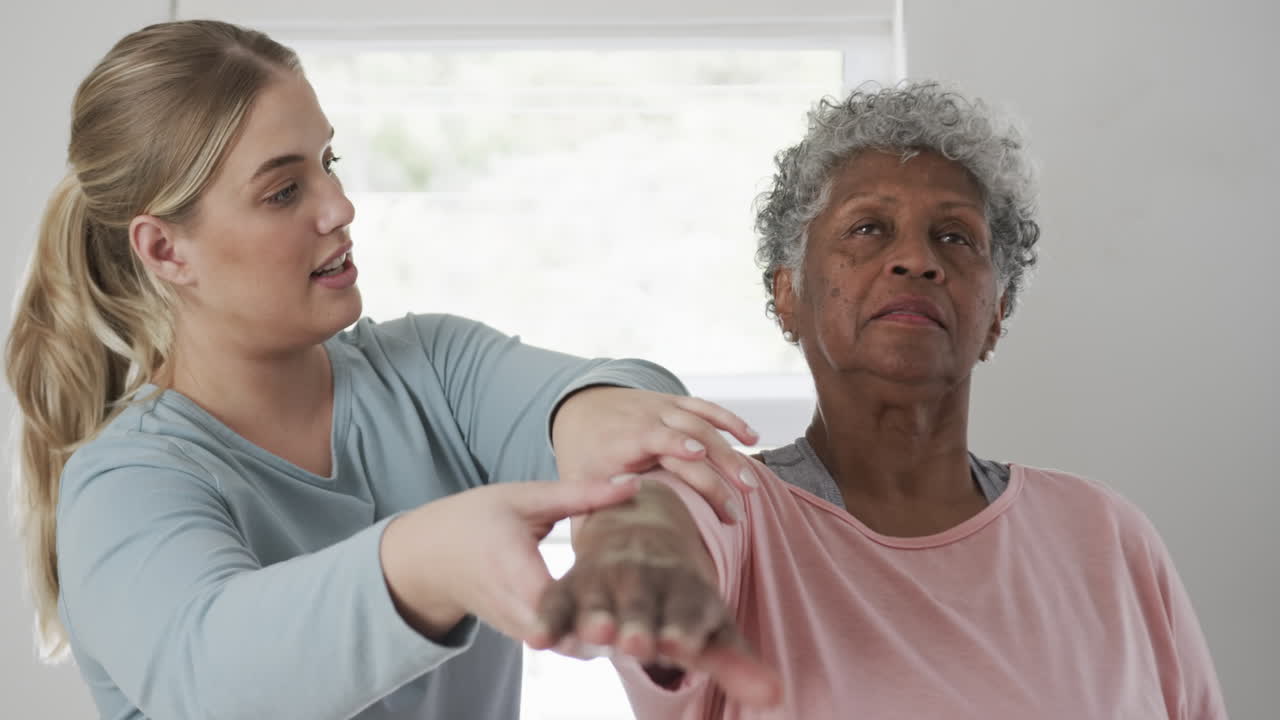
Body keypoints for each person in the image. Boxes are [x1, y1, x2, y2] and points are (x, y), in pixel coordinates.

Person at [3, 20, 767, 720]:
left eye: (327, 162)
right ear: (166, 251)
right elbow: (214, 675)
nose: (338, 206)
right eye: (283, 190)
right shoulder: (125, 483)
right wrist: (426, 561)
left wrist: (618, 486)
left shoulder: (428, 368)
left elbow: (619, 392)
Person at [539, 83, 1229, 719]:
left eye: (954, 237)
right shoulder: (731, 508)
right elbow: (656, 523)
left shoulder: (1105, 534)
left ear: (996, 312)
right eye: (868, 228)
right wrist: (635, 549)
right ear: (787, 295)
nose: (916, 260)